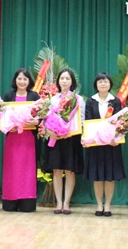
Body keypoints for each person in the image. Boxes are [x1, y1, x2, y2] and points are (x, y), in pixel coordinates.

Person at [42, 68, 85, 215]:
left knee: (69, 171)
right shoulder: (53, 100)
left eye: (67, 78)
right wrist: (50, 132)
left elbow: (82, 120)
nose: (64, 81)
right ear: (58, 81)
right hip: (56, 139)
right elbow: (46, 120)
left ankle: (66, 203)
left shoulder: (78, 100)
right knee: (57, 170)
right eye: (62, 78)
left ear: (72, 81)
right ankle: (59, 202)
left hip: (71, 139)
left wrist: (70, 132)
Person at [83, 72, 124, 217]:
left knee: (110, 176)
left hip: (111, 144)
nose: (103, 84)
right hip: (96, 144)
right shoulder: (90, 101)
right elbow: (88, 121)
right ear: (96, 84)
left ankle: (108, 205)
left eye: (105, 81)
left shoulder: (116, 101)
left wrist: (115, 138)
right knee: (97, 176)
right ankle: (99, 204)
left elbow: (119, 122)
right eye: (100, 81)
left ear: (110, 84)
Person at [1, 68, 40, 212]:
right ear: (15, 80)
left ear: (29, 81)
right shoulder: (8, 95)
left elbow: (41, 116)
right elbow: (2, 116)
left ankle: (27, 201)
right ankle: (10, 200)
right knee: (12, 170)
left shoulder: (34, 96)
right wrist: (8, 126)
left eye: (25, 79)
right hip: (12, 138)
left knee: (27, 170)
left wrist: (35, 122)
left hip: (28, 139)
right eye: (19, 78)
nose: (22, 82)